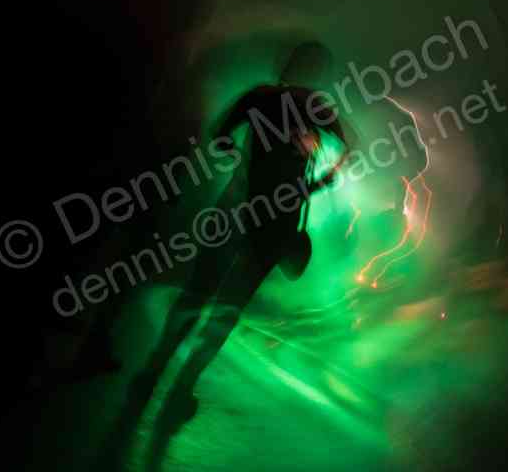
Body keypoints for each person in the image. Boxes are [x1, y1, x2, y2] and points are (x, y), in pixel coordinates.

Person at [126, 71, 348, 431]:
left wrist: (244, 158)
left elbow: (221, 137)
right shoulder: (315, 107)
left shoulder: (260, 96)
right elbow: (346, 150)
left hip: (234, 209)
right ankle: (182, 387)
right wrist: (316, 181)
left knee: (195, 293)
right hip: (274, 226)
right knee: (228, 309)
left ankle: (151, 374)